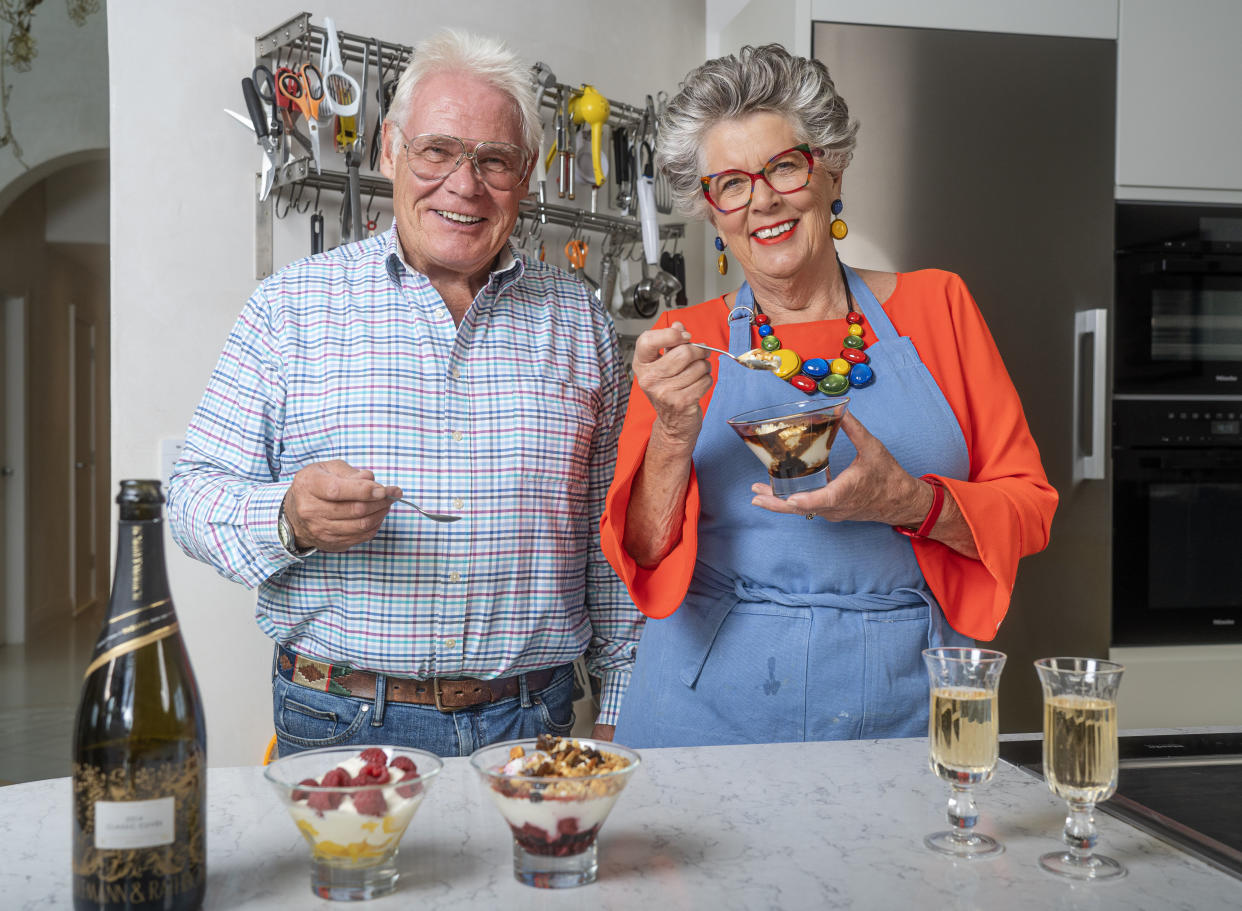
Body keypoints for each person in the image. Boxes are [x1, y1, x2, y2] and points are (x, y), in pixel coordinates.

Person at [168, 29, 640, 758]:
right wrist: (288, 514)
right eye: (438, 150)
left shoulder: (580, 318)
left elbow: (607, 538)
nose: (464, 183)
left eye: (495, 161)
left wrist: (620, 702)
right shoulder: (290, 306)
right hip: (341, 722)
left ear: (528, 173)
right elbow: (191, 496)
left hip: (533, 722)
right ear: (389, 148)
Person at [600, 44, 1058, 748]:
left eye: (784, 165)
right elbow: (644, 555)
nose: (762, 200)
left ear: (831, 169)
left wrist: (911, 501)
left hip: (904, 700)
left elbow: (1028, 511)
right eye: (731, 183)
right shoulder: (683, 342)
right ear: (711, 209)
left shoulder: (940, 306)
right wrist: (671, 433)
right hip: (706, 711)